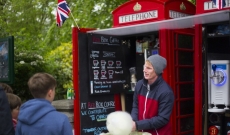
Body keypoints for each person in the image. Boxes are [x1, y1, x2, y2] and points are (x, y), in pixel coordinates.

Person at [131, 54, 175, 135]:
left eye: (149, 68)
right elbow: (135, 106)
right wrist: (133, 121)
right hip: (141, 132)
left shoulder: (166, 92)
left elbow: (162, 119)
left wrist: (137, 125)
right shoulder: (139, 85)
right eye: (144, 67)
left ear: (157, 71)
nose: (144, 70)